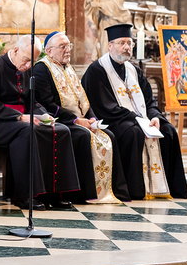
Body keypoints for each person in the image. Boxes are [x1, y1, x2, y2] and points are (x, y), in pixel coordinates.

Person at [82, 24, 187, 199]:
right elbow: (104, 107)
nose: (126, 47)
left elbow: (149, 101)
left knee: (168, 130)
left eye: (129, 43)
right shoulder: (97, 70)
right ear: (110, 46)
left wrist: (154, 117)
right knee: (134, 132)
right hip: (114, 121)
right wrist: (137, 119)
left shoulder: (134, 70)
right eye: (122, 43)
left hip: (138, 119)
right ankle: (136, 189)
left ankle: (170, 188)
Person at [0, 35, 81, 210]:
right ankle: (25, 195)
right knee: (27, 131)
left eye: (31, 62)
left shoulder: (26, 69)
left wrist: (45, 115)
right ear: (16, 50)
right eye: (26, 60)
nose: (27, 66)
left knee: (61, 129)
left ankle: (54, 194)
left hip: (21, 121)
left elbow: (32, 102)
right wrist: (19, 117)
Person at [33, 32, 130, 204]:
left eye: (68, 46)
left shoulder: (68, 68)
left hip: (79, 120)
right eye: (62, 47)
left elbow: (82, 99)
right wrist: (76, 120)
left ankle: (113, 191)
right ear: (49, 51)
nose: (67, 50)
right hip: (60, 120)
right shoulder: (42, 68)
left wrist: (92, 119)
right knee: (84, 136)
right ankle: (85, 193)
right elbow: (48, 104)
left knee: (109, 135)